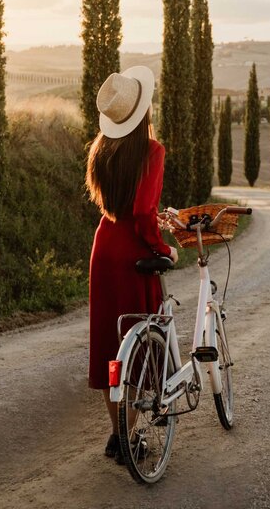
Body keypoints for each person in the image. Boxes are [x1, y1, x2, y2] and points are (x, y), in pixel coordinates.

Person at [85, 66, 178, 464]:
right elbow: (142, 212)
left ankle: (117, 434)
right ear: (144, 111)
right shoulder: (151, 151)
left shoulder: (101, 148)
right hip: (132, 256)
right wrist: (166, 248)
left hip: (104, 247)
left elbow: (123, 208)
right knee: (138, 346)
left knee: (112, 346)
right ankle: (128, 438)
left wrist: (150, 222)